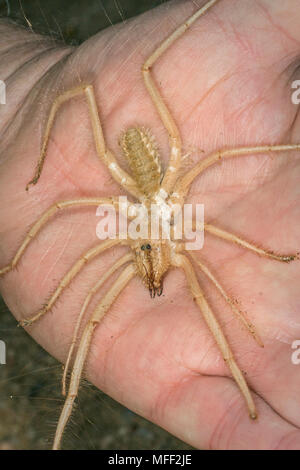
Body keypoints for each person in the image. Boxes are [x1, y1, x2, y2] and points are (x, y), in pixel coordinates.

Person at [0, 0, 300, 449]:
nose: (148, 264)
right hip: (139, 174)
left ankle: (240, 379)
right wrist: (24, 102)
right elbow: (64, 220)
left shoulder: (175, 197)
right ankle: (61, 430)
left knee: (202, 284)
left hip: (157, 175)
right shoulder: (128, 234)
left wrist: (262, 249)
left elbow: (216, 199)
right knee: (93, 313)